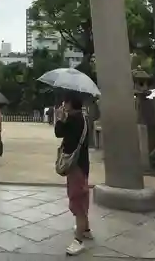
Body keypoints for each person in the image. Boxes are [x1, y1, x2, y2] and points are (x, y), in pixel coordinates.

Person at [55, 92, 91, 256]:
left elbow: (59, 133)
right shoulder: (83, 118)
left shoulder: (72, 119)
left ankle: (79, 241)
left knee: (77, 201)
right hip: (82, 163)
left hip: (75, 166)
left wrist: (60, 118)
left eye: (65, 102)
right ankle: (86, 229)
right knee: (81, 197)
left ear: (69, 104)